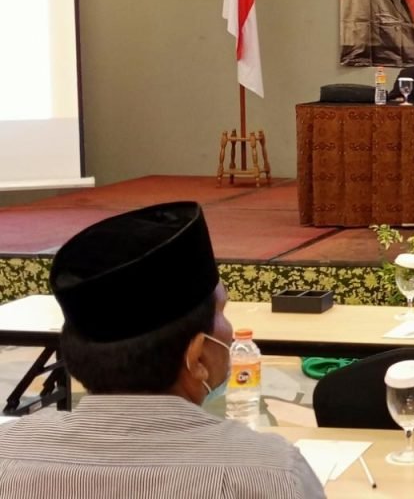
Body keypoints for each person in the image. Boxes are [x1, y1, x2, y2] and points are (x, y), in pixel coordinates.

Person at [0, 202, 325, 499]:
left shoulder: (7, 455)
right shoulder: (273, 475)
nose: (228, 329)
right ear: (197, 357)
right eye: (222, 311)